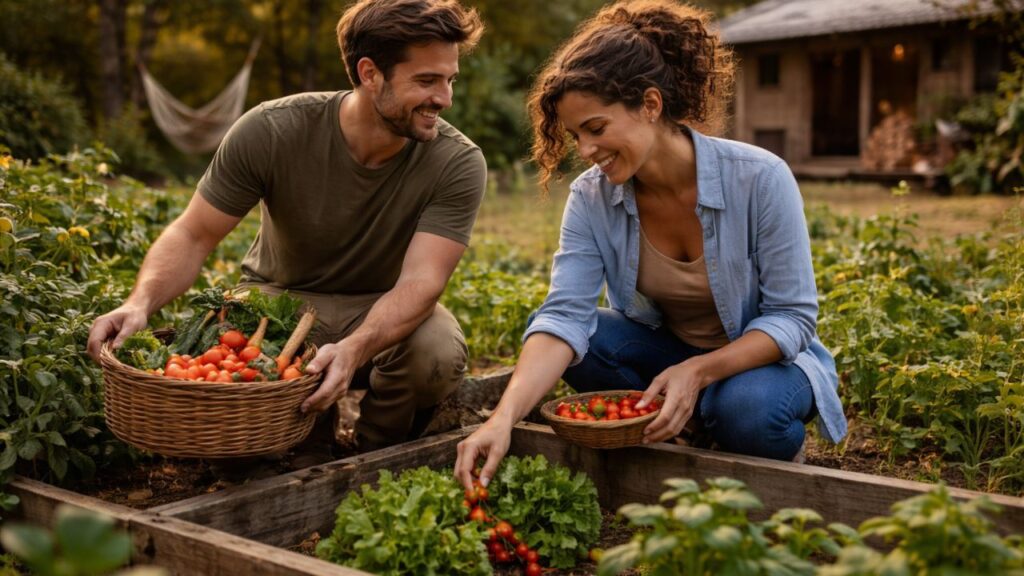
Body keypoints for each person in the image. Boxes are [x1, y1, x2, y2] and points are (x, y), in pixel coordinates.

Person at [455, 0, 846, 491]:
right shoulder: (592, 196)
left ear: (651, 105)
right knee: (583, 339)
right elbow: (564, 316)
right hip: (667, 353)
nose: (586, 151)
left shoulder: (760, 178)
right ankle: (687, 422)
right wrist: (503, 419)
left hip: (760, 364)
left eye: (596, 128)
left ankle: (727, 424)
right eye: (576, 136)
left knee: (748, 412)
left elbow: (792, 317)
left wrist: (698, 371)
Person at [87, 0, 487, 458]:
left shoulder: (456, 161)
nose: (445, 98)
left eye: (449, 79)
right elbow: (193, 233)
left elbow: (422, 282)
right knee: (243, 381)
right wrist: (139, 304)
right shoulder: (272, 130)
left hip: (380, 312)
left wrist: (354, 347)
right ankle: (290, 442)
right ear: (370, 73)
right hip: (279, 302)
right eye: (426, 80)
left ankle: (378, 454)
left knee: (435, 352)